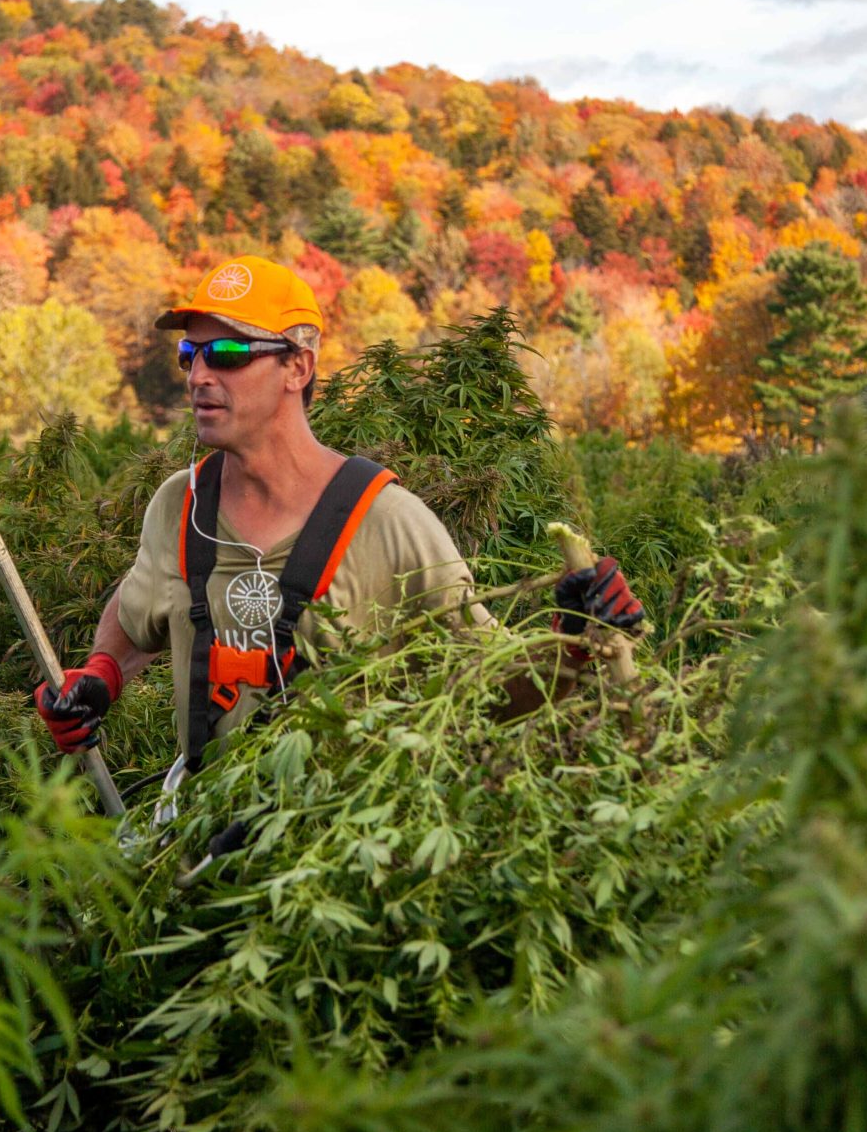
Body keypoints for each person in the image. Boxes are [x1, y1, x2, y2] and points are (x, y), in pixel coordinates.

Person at [32, 254, 644, 804]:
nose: (198, 376)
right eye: (190, 355)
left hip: (336, 867)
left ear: (298, 367)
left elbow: (486, 687)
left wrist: (576, 646)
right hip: (197, 856)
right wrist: (101, 676)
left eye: (229, 354)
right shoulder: (180, 507)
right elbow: (140, 604)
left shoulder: (389, 524)